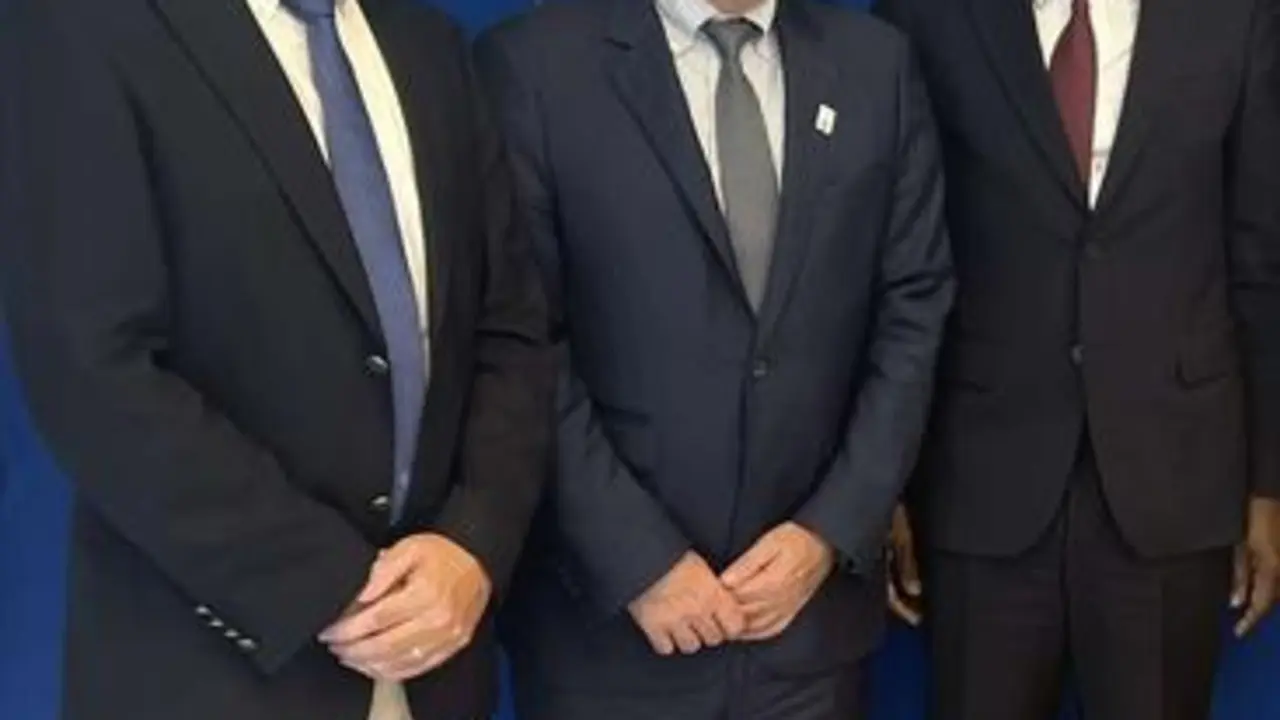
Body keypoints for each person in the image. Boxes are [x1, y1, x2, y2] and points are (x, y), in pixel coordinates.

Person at [0, 0, 552, 717]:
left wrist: (473, 540)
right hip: (216, 667)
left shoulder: (426, 40)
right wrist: (329, 583)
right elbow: (92, 369)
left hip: (439, 661)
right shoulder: (90, 28)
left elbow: (508, 327)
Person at [477, 0, 954, 718]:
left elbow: (913, 309)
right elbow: (521, 337)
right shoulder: (535, 66)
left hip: (809, 633)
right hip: (610, 633)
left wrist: (828, 530)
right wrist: (638, 560)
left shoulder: (874, 63)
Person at [875, 0, 1280, 718]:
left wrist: (1268, 487)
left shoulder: (1235, 16)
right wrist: (887, 486)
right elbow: (891, 255)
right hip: (979, 481)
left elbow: (1260, 265)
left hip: (1174, 481)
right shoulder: (928, 15)